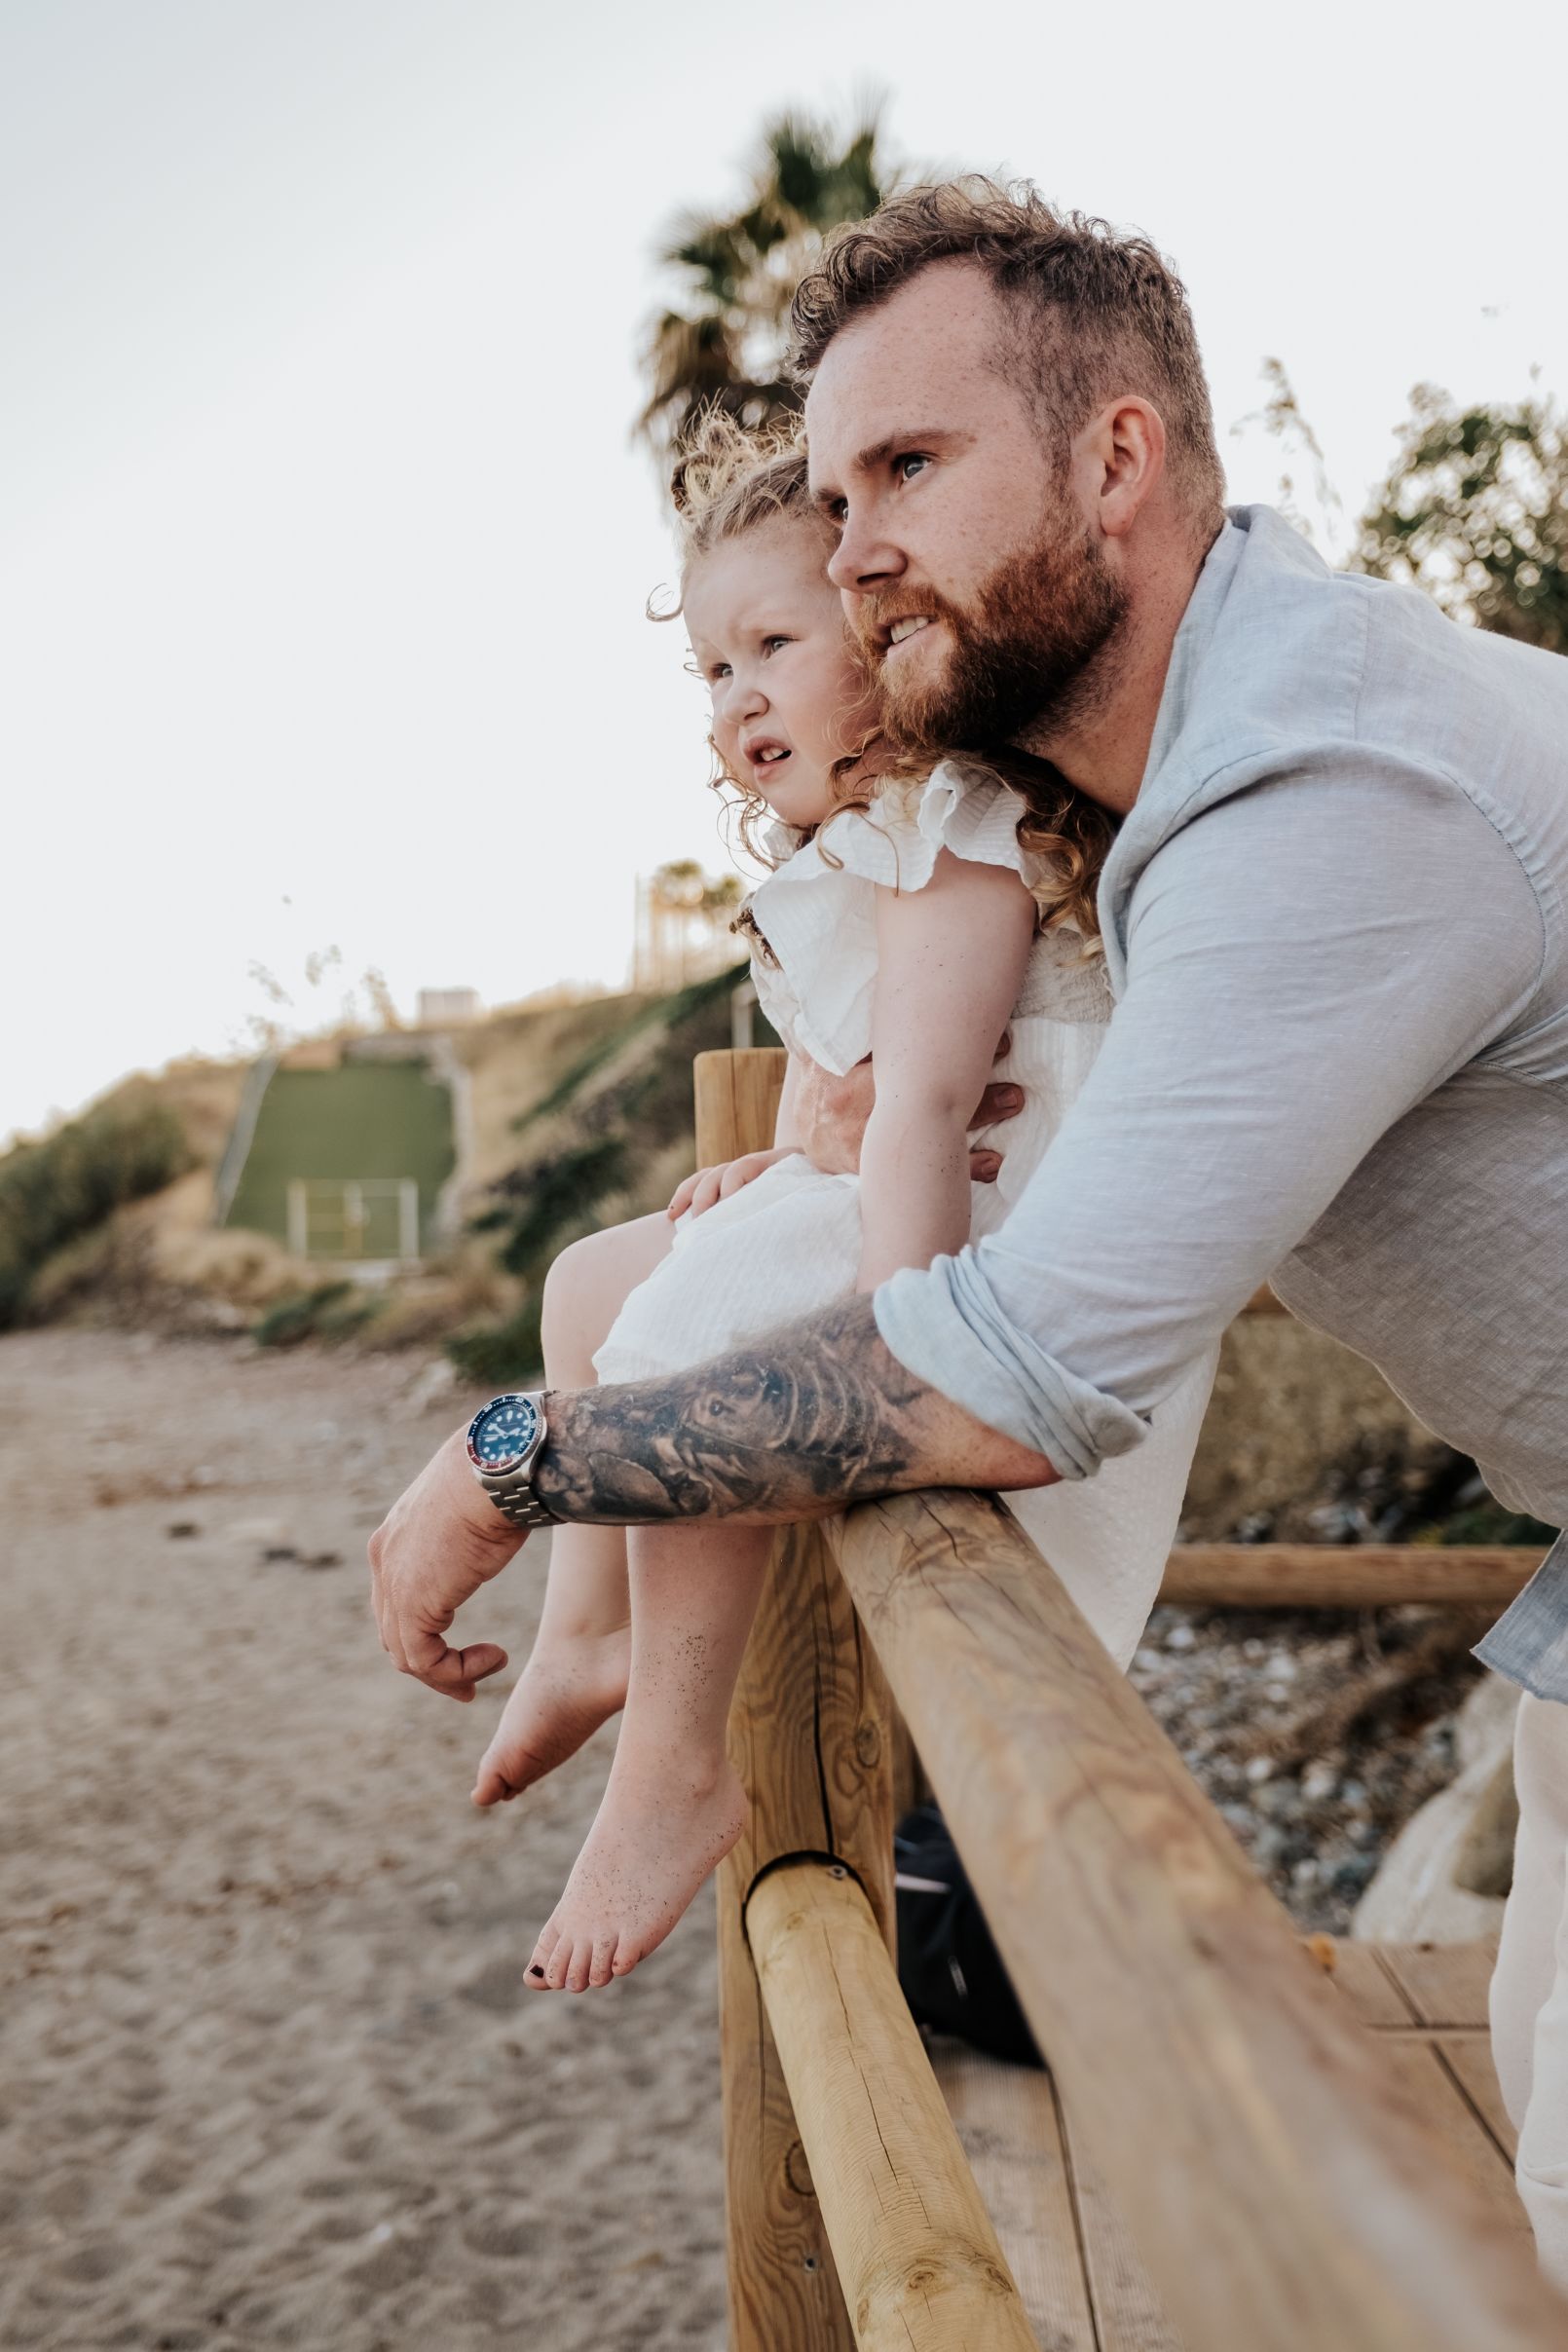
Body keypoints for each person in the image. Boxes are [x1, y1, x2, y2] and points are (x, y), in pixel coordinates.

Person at [369, 183, 1568, 2286]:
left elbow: (987, 1372)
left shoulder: (1317, 787)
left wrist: (515, 1460)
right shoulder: (1178, 780)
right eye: (831, 495)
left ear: (1116, 457)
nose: (847, 552)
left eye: (908, 468)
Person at [477, 413, 1213, 1994]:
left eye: (770, 646)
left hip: (1001, 1245)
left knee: (682, 1325)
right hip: (928, 1197)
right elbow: (866, 1102)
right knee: (592, 1287)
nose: (736, 697)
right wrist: (784, 1163)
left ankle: (675, 1763)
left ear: (879, 639)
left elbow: (941, 1105)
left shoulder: (953, 826)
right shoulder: (859, 843)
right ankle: (585, 1635)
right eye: (713, 673)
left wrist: (900, 1350)